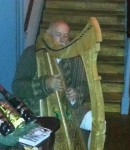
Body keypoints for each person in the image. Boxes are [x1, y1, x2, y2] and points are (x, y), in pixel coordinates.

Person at [12, 20, 92, 149]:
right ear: (48, 35)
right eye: (58, 34)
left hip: (69, 109)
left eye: (66, 35)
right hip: (38, 109)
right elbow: (17, 87)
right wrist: (45, 83)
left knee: (97, 122)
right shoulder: (32, 53)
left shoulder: (72, 56)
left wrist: (76, 93)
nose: (62, 39)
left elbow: (84, 85)